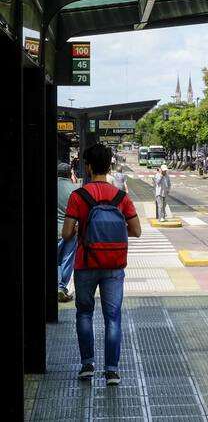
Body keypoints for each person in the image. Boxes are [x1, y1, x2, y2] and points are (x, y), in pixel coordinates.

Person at [61, 143, 141, 386]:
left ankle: (87, 365)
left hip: (85, 263)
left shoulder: (78, 196)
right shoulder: (121, 197)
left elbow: (66, 234)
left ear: (87, 166)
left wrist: (81, 228)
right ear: (109, 167)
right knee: (113, 317)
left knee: (84, 313)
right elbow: (136, 230)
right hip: (114, 265)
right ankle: (112, 371)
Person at [57, 162, 79, 302]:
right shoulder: (75, 189)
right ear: (69, 173)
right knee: (67, 259)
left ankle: (58, 286)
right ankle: (62, 287)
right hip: (71, 229)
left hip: (54, 230)